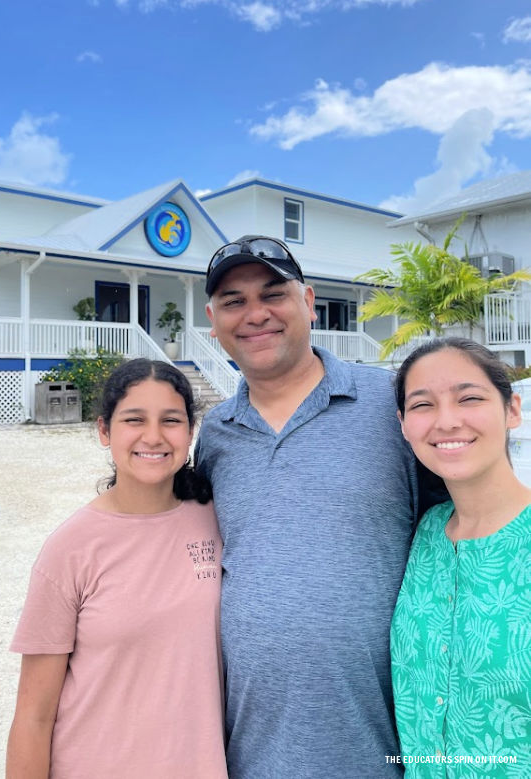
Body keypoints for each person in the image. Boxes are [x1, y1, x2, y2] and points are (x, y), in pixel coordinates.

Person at [196, 235, 446, 779]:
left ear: (308, 301)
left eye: (273, 294)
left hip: (386, 747)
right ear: (213, 320)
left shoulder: (393, 405)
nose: (255, 314)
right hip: (251, 753)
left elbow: (467, 525)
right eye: (234, 302)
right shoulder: (214, 435)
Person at [6, 359, 227, 779]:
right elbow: (33, 717)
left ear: (190, 432)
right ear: (104, 431)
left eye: (171, 421)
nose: (153, 437)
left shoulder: (215, 520)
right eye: (134, 420)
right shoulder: (70, 549)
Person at [391, 338, 531, 777]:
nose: (447, 421)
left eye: (469, 398)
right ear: (403, 423)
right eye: (422, 405)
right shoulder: (427, 533)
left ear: (512, 410)